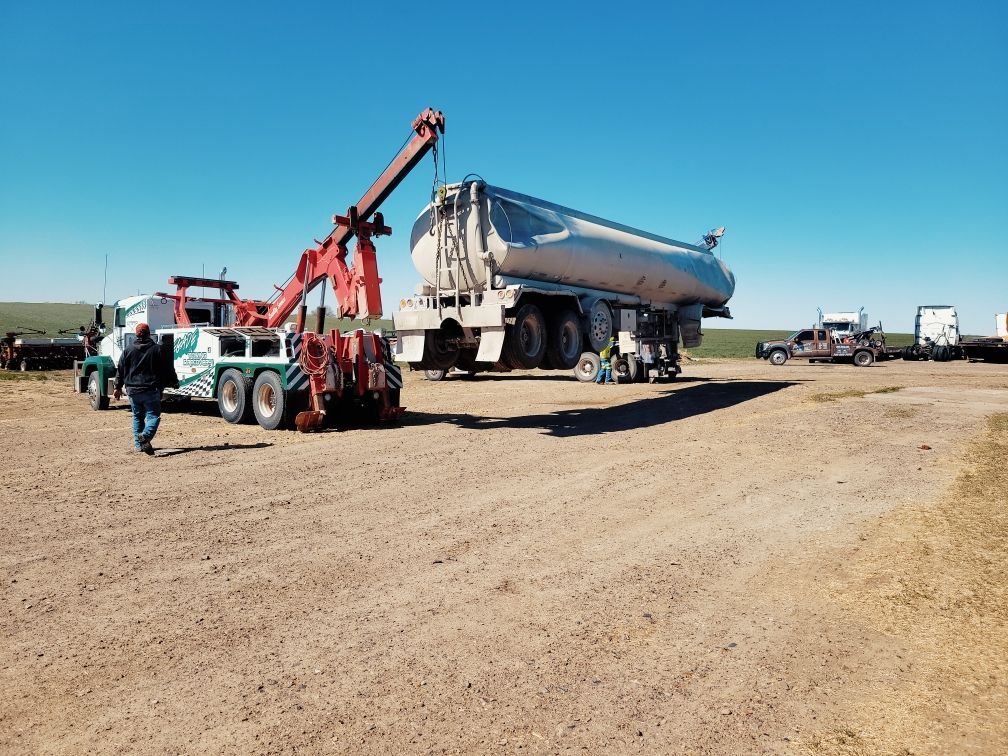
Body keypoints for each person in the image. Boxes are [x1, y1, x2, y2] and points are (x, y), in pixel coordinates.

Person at [113, 323, 164, 455]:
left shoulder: (128, 350)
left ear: (136, 334)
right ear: (149, 334)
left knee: (137, 417)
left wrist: (117, 387)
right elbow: (164, 370)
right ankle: (145, 435)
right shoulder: (157, 349)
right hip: (150, 389)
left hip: (132, 390)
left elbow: (120, 369)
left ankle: (138, 445)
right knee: (153, 416)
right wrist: (170, 383)